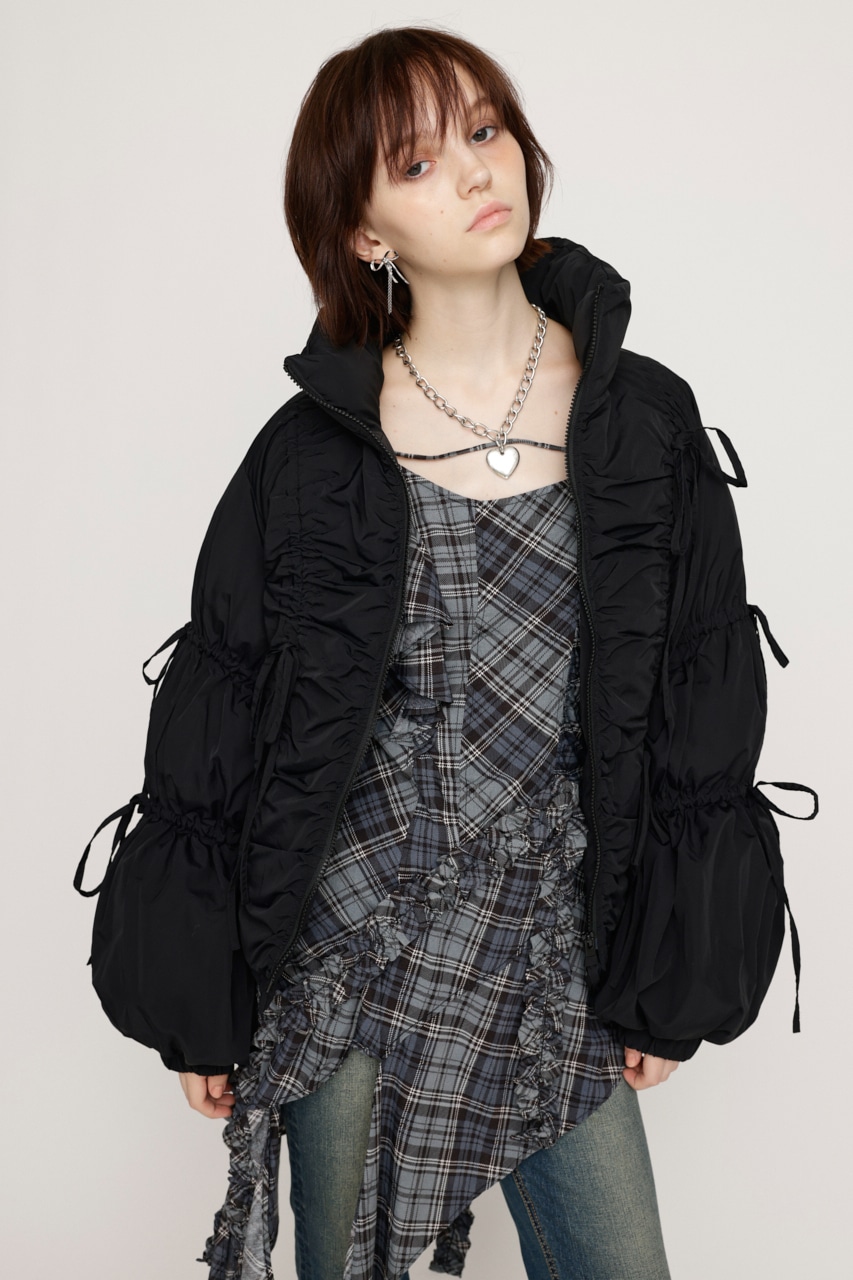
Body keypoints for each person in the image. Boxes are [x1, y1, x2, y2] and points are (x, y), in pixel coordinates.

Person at [76, 22, 816, 1280]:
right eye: (417, 161)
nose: (475, 170)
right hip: (352, 940)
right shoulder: (310, 453)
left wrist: (672, 969)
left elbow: (700, 696)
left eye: (484, 129)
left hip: (554, 945)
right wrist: (199, 994)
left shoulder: (643, 417)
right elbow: (220, 712)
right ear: (364, 230)